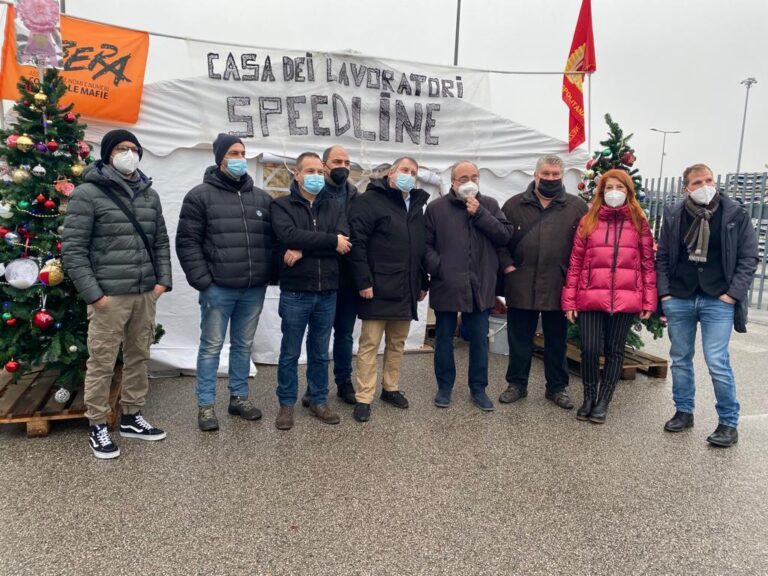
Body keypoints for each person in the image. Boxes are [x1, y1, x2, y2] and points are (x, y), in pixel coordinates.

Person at [63, 129, 172, 459]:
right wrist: (95, 296)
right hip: (109, 296)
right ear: (108, 153)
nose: (129, 154)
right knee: (102, 361)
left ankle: (131, 416)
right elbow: (74, 250)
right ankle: (97, 423)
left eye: (134, 149)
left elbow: (160, 242)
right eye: (122, 148)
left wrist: (161, 283)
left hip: (144, 292)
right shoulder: (88, 194)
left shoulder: (149, 194)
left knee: (139, 355)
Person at [176, 134, 274, 432]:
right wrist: (204, 282)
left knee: (243, 345)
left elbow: (272, 241)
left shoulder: (262, 198)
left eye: (243, 152)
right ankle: (206, 405)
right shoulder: (199, 196)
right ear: (220, 158)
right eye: (233, 153)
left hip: (253, 288)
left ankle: (239, 397)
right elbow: (187, 242)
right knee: (211, 347)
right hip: (218, 289)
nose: (240, 158)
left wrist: (268, 274)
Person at [657, 163, 758, 447]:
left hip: (718, 299)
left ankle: (728, 422)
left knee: (717, 361)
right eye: (697, 182)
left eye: (709, 180)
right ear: (686, 188)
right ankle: (683, 411)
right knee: (680, 358)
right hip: (680, 296)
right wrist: (665, 295)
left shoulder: (735, 214)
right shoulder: (674, 214)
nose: (705, 186)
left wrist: (732, 295)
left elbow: (748, 257)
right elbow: (663, 256)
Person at [561, 169, 657, 423]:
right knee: (590, 349)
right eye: (609, 187)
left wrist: (649, 299)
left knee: (615, 351)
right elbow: (575, 263)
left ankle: (603, 401)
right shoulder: (588, 221)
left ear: (629, 191)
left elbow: (648, 263)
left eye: (620, 187)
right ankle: (589, 397)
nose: (615, 192)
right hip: (590, 296)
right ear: (601, 192)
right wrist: (569, 300)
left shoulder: (639, 222)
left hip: (626, 297)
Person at [497, 154, 587, 410]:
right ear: (535, 175)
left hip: (558, 285)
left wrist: (573, 279)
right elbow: (499, 241)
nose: (550, 178)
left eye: (555, 174)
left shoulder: (577, 207)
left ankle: (557, 388)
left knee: (557, 341)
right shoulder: (514, 205)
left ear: (562, 176)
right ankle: (517, 384)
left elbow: (584, 247)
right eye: (545, 174)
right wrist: (508, 266)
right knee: (519, 339)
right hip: (521, 283)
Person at [270, 152, 351, 430]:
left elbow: (344, 243)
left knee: (319, 352)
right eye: (310, 171)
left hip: (327, 291)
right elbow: (288, 235)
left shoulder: (334, 206)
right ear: (297, 174)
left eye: (319, 171)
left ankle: (318, 400)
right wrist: (330, 241)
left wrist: (304, 249)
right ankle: (286, 404)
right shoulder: (281, 205)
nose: (316, 176)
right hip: (296, 292)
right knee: (290, 352)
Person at [424, 160, 513, 411]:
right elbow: (425, 245)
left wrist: (480, 213)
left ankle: (478, 388)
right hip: (447, 284)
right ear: (453, 182)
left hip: (480, 285)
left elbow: (504, 235)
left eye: (474, 177)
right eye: (463, 178)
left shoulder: (490, 205)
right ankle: (444, 387)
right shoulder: (436, 208)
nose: (469, 182)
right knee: (444, 338)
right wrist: (439, 267)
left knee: (479, 340)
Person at [348, 156, 429, 422]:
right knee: (370, 343)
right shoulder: (369, 201)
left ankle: (390, 388)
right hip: (377, 287)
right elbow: (357, 243)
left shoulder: (416, 205)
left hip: (406, 287)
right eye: (404, 170)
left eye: (413, 172)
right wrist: (363, 281)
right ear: (391, 173)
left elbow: (419, 248)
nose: (409, 175)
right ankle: (364, 397)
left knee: (397, 343)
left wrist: (423, 282)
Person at [319, 145, 358, 405]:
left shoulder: (356, 195)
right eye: (337, 161)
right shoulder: (314, 192)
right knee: (319, 334)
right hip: (321, 272)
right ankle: (316, 385)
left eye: (346, 162)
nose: (342, 166)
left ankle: (344, 381)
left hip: (348, 275)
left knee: (344, 334)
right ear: (325, 165)